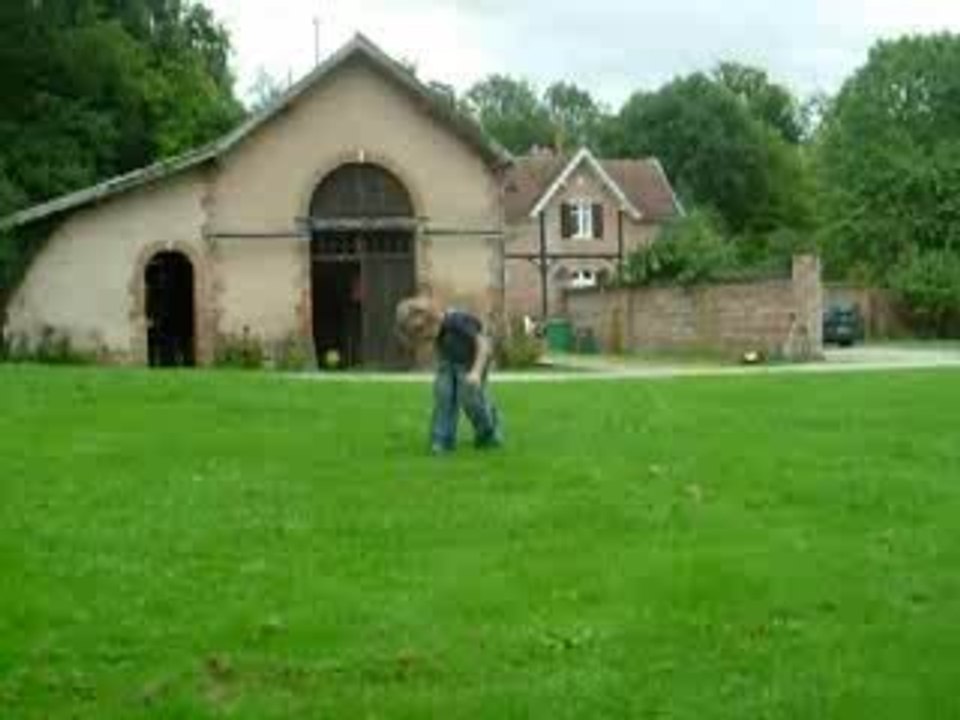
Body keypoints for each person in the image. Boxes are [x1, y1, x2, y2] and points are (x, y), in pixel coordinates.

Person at [396, 297, 503, 455]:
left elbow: (483, 344)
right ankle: (442, 440)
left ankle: (487, 433)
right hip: (448, 364)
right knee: (443, 397)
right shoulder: (436, 329)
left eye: (425, 337)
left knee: (471, 401)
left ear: (430, 320)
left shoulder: (457, 321)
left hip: (471, 365)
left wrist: (476, 372)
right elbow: (444, 346)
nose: (426, 341)